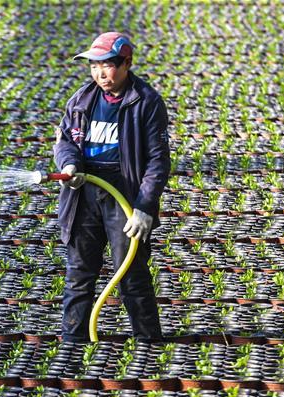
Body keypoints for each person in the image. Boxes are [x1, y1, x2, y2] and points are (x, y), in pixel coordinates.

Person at [53, 31, 171, 342]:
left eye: (107, 65)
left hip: (124, 194)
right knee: (79, 273)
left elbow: (158, 162)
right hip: (84, 192)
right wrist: (70, 166)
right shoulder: (81, 100)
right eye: (94, 66)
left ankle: (149, 344)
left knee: (131, 274)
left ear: (127, 63)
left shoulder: (145, 102)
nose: (100, 73)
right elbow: (65, 141)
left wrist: (144, 207)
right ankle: (73, 343)